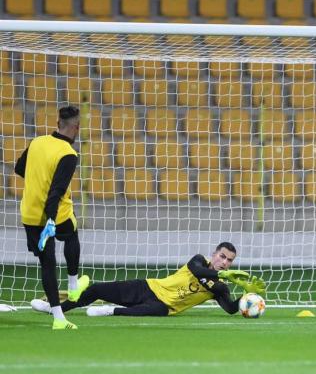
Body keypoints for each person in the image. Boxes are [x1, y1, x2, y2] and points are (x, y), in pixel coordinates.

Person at [31, 242, 265, 317]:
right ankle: (57, 309)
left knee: (145, 311)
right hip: (149, 287)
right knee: (96, 289)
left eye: (229, 261)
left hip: (164, 306)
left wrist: (247, 296)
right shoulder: (199, 261)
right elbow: (198, 272)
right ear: (214, 254)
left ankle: (110, 311)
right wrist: (223, 274)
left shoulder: (221, 288)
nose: (224, 262)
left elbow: (231, 309)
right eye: (222, 257)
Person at [16, 105, 89, 330]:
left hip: (29, 213)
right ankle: (73, 285)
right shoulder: (68, 154)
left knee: (47, 263)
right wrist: (50, 218)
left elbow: (19, 168)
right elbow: (56, 191)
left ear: (58, 125)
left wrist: (38, 180)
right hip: (55, 214)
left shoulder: (37, 141)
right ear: (76, 128)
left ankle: (58, 318)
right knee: (71, 235)